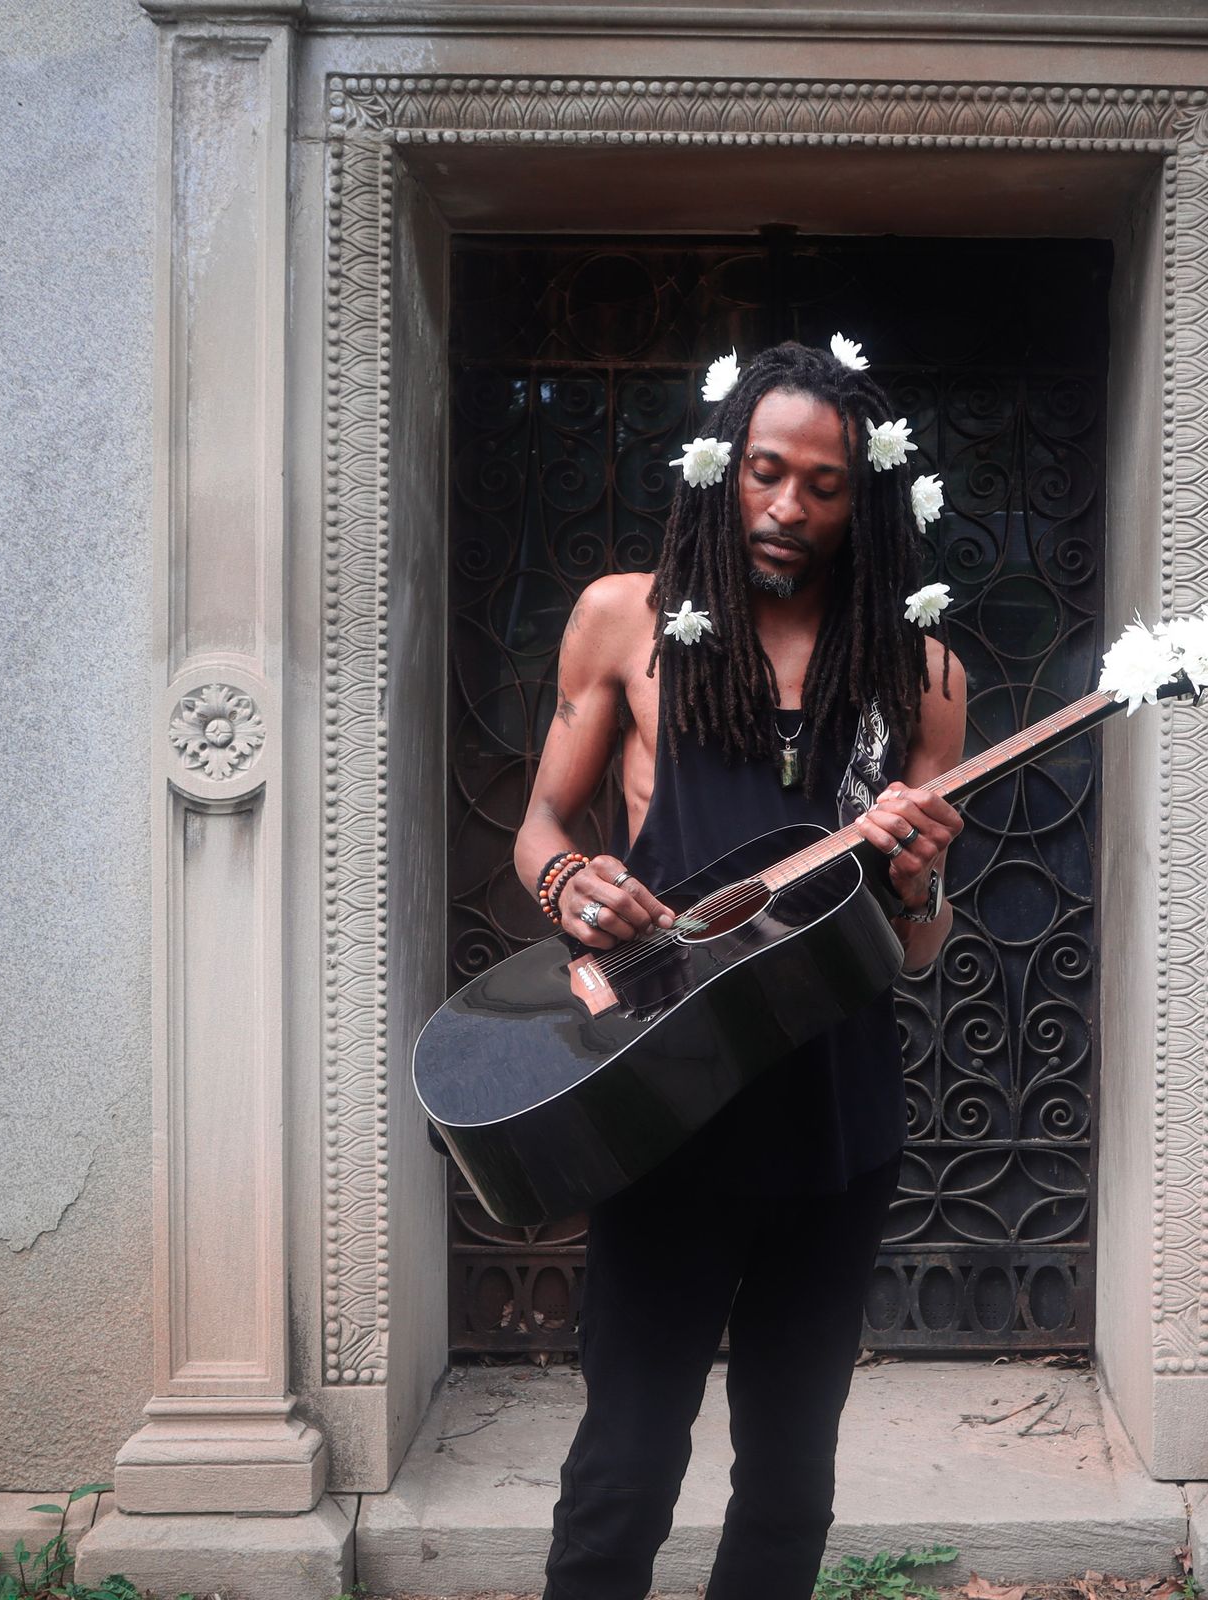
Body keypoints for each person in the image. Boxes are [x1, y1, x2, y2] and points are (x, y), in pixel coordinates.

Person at [511, 337, 967, 1600]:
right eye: (766, 472)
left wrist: (918, 881)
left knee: (788, 1475)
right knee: (625, 1461)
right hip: (663, 1108)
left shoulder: (920, 675)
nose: (787, 507)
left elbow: (914, 948)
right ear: (723, 467)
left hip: (834, 1120)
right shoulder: (625, 618)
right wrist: (572, 882)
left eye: (824, 485)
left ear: (862, 497)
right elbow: (540, 824)